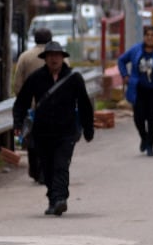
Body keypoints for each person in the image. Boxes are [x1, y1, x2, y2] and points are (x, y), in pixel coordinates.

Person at [12, 41, 94, 216]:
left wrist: (88, 129)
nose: (54, 59)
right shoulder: (36, 78)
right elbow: (22, 102)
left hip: (66, 131)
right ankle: (53, 199)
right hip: (42, 132)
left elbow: (85, 105)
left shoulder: (74, 79)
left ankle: (60, 199)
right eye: (50, 56)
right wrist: (18, 123)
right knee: (47, 167)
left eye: (57, 55)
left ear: (63, 58)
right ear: (45, 59)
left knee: (61, 165)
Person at [117, 25, 153, 156]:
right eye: (147, 35)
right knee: (138, 117)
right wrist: (125, 75)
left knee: (152, 117)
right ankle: (144, 137)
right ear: (144, 37)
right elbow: (121, 60)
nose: (150, 38)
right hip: (139, 89)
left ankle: (150, 145)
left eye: (152, 35)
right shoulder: (136, 49)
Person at [12, 26, 56, 183]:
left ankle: (35, 170)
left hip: (32, 108)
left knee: (32, 140)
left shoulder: (25, 57)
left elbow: (17, 84)